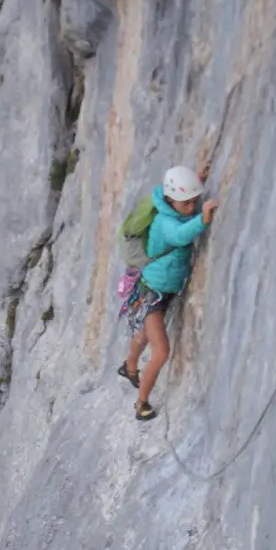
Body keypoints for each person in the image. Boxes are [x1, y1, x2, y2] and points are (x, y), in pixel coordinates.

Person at [118, 165, 218, 421]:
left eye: (195, 201)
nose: (192, 206)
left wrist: (197, 181)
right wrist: (203, 219)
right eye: (187, 203)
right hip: (153, 293)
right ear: (172, 200)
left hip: (161, 288)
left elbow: (185, 212)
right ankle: (141, 404)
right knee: (161, 350)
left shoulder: (175, 206)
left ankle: (129, 367)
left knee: (142, 335)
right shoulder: (165, 222)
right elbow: (179, 234)